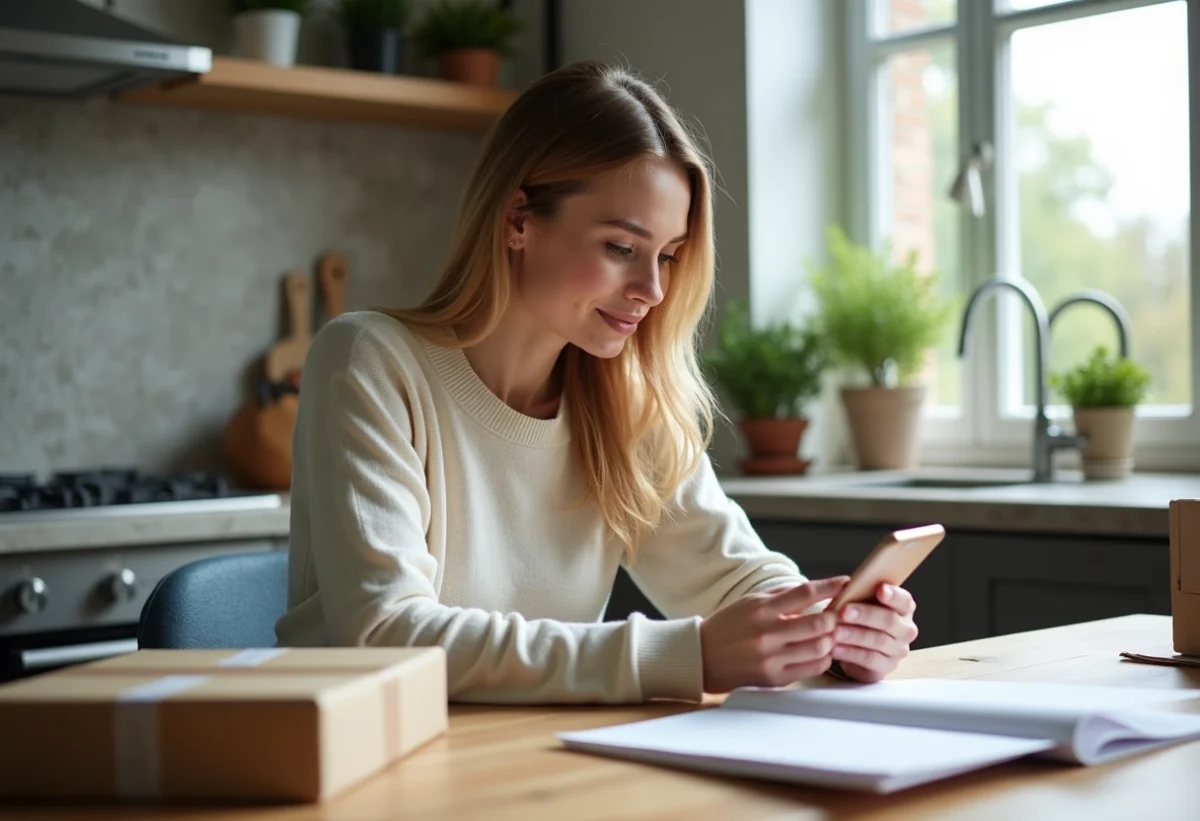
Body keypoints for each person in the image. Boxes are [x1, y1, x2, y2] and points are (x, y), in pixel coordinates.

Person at [274, 60, 918, 704]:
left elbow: (735, 578)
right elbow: (386, 634)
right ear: (519, 220)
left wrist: (829, 632)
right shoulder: (369, 360)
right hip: (362, 762)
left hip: (539, 762)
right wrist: (683, 656)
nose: (654, 290)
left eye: (668, 254)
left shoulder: (623, 403)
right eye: (620, 248)